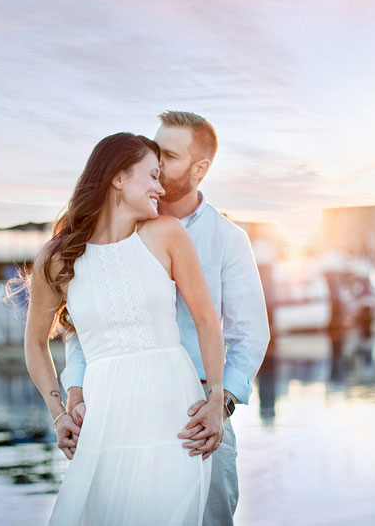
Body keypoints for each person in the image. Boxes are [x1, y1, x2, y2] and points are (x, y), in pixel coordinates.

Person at [61, 112, 270, 525]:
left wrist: (220, 405)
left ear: (199, 169)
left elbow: (250, 337)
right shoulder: (105, 233)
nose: (156, 159)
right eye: (154, 151)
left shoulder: (227, 239)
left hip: (198, 423)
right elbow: (81, 328)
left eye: (169, 156)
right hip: (120, 421)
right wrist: (75, 390)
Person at [23, 132, 226, 525]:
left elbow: (206, 320)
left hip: (174, 416)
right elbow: (34, 343)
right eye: (152, 175)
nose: (160, 187)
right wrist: (58, 413)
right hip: (105, 419)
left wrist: (216, 399)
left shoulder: (167, 234)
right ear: (118, 177)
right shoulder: (58, 258)